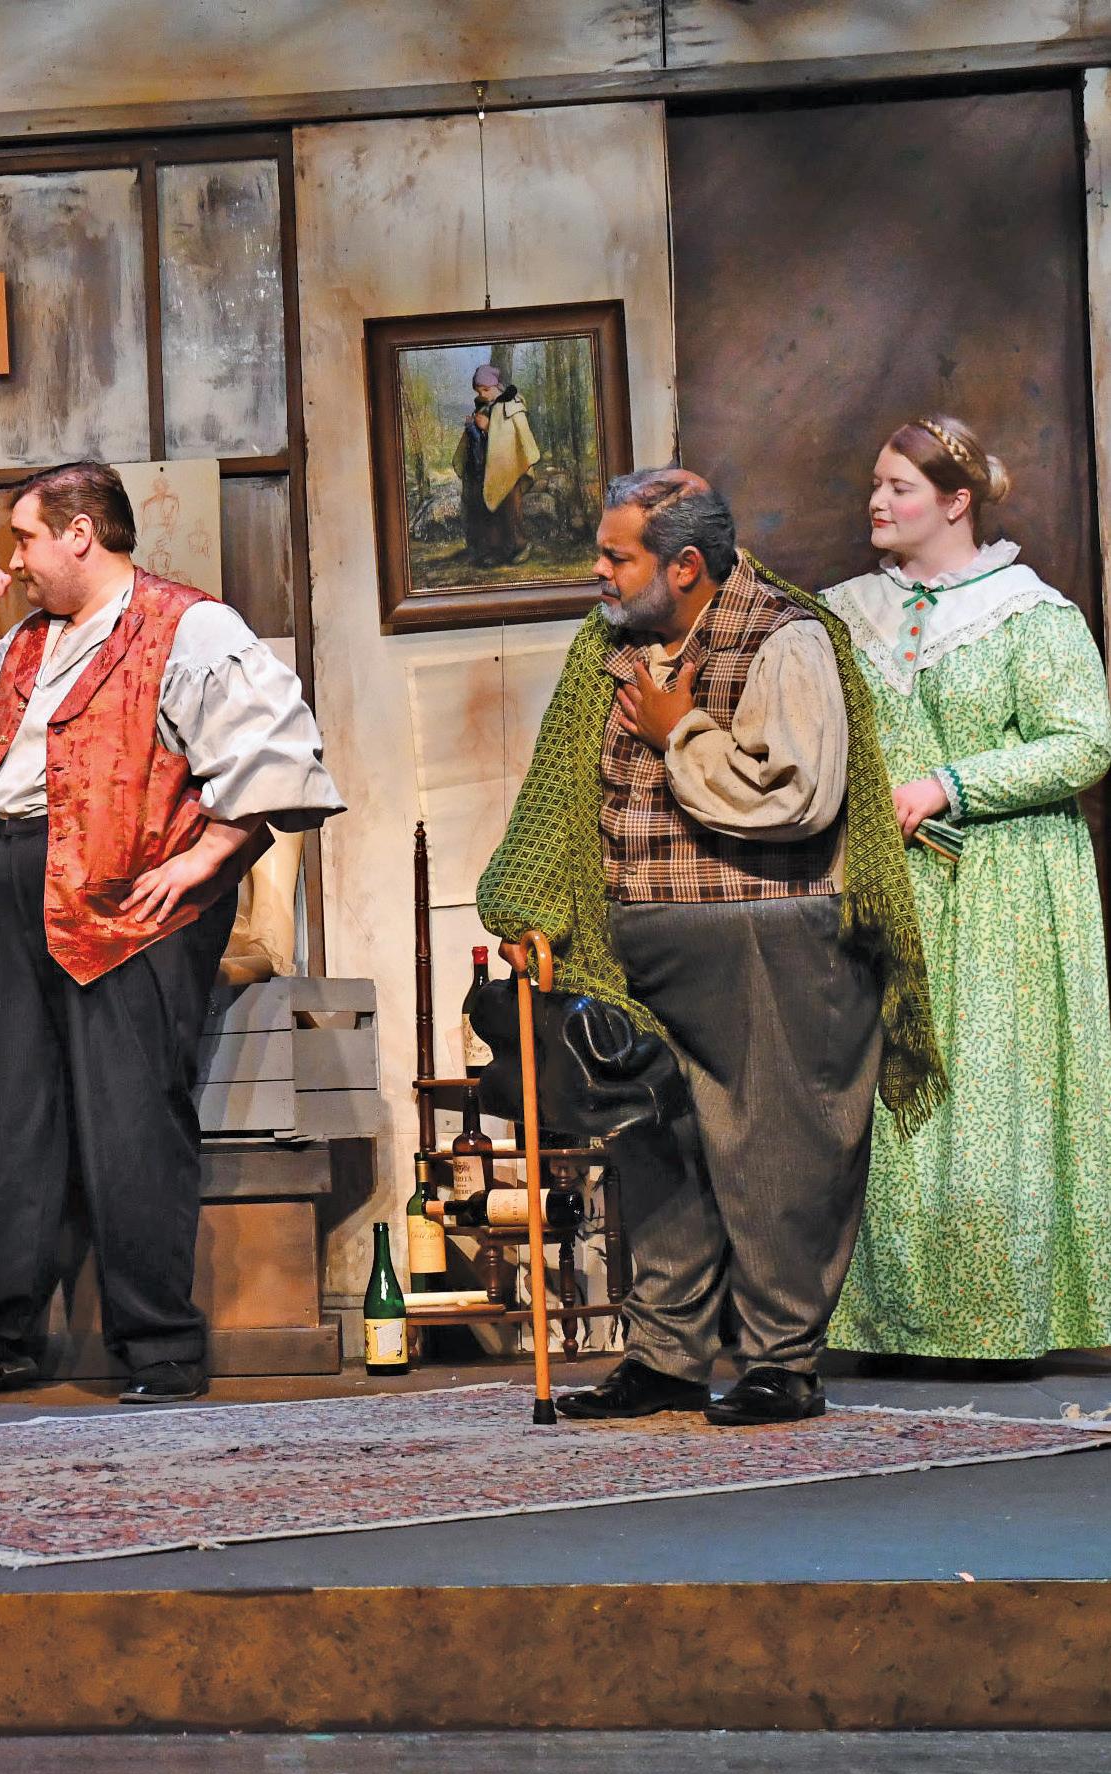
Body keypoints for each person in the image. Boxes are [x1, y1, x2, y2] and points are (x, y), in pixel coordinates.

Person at [478, 468, 942, 1425]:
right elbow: (563, 795)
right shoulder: (606, 646)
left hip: (770, 940)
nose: (598, 572)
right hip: (638, 945)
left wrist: (678, 731)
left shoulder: (784, 635)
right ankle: (664, 1356)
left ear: (684, 565)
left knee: (778, 1152)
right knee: (655, 1148)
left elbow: (795, 795)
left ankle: (781, 1361)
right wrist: (538, 905)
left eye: (617, 556)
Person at [0, 460, 344, 1403]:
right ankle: (3, 1337)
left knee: (130, 1116)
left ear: (79, 533)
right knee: (8, 1110)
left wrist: (206, 858)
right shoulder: (29, 640)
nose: (14, 561)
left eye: (25, 538)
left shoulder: (188, 625)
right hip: (18, 882)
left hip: (128, 901)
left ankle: (159, 1347)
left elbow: (272, 748)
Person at [820, 416, 1111, 1370]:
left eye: (898, 487)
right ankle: (894, 1322)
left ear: (955, 502)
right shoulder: (844, 614)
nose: (876, 501)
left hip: (1005, 886)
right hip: (887, 883)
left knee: (990, 1097)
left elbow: (1085, 742)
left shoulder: (1027, 612)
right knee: (894, 1099)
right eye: (875, 483)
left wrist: (948, 784)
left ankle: (999, 1319)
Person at [456, 362, 539, 567]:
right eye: (479, 391)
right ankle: (495, 551)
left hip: (509, 469)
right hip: (486, 468)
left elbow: (516, 438)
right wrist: (474, 427)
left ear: (496, 386)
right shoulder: (483, 406)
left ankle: (520, 546)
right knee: (488, 511)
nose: (482, 394)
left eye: (485, 389)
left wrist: (487, 427)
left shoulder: (512, 406)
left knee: (510, 511)